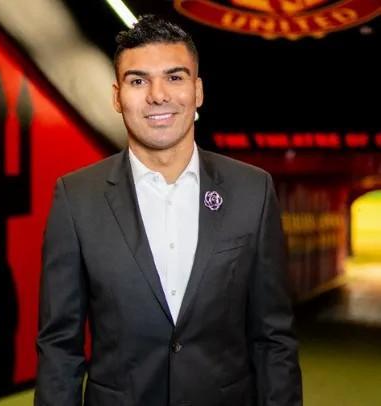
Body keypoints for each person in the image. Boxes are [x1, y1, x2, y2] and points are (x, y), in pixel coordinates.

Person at [35, 15, 302, 406]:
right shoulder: (76, 198)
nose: (158, 95)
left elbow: (273, 339)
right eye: (138, 81)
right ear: (116, 96)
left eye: (175, 77)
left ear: (198, 91)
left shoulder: (252, 190)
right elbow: (59, 345)